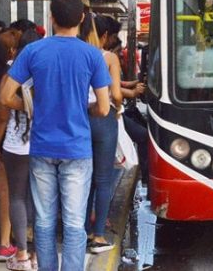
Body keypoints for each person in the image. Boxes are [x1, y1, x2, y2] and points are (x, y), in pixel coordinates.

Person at [0, 0, 111, 271]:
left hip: (42, 147)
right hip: (76, 148)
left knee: (44, 222)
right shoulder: (92, 55)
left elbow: (4, 96)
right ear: (82, 19)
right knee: (74, 224)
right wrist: (87, 111)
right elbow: (105, 108)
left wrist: (30, 108)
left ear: (51, 18)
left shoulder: (34, 51)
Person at [0, 30, 41, 270]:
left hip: (16, 145)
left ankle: (21, 255)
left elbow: (1, 117)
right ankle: (39, 254)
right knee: (42, 200)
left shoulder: (10, 76)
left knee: (17, 198)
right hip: (43, 143)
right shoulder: (45, 72)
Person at [80, 14, 123, 253]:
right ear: (103, 35)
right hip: (104, 118)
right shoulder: (108, 58)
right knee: (103, 179)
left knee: (83, 177)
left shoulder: (75, 54)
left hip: (80, 118)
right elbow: (115, 95)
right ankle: (97, 237)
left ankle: (81, 230)